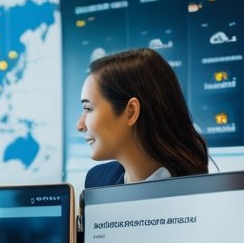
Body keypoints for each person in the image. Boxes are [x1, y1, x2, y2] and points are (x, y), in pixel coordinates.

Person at [77, 47, 209, 186]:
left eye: (88, 108)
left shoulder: (195, 189)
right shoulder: (96, 179)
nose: (79, 125)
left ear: (131, 112)